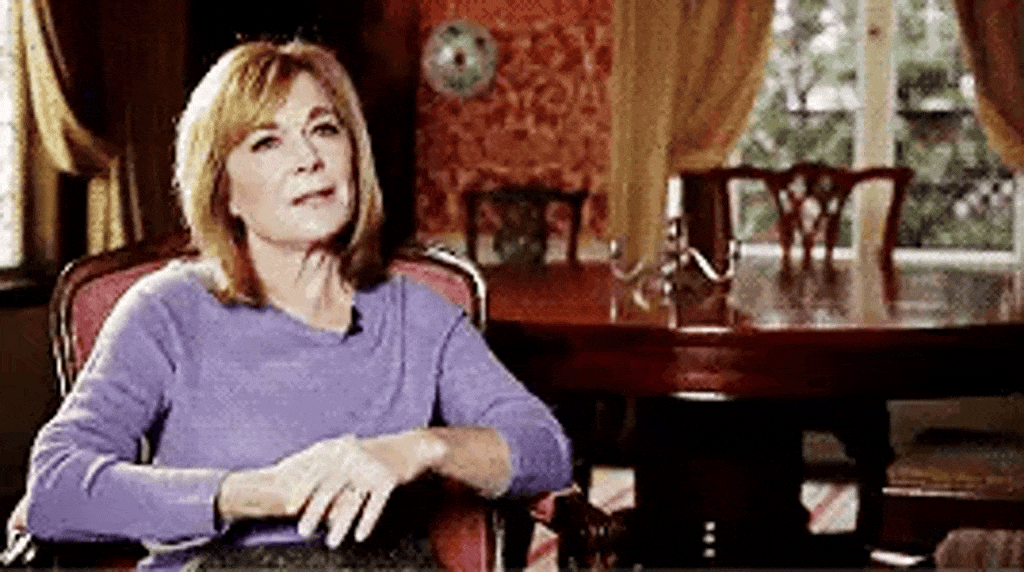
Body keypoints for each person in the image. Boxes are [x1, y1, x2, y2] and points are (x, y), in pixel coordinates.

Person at [16, 40, 573, 571]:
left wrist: (420, 449)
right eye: (267, 142)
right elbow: (56, 487)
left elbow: (545, 449)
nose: (309, 158)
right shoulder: (167, 310)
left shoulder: (418, 315)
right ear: (224, 190)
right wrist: (263, 492)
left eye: (324, 130)